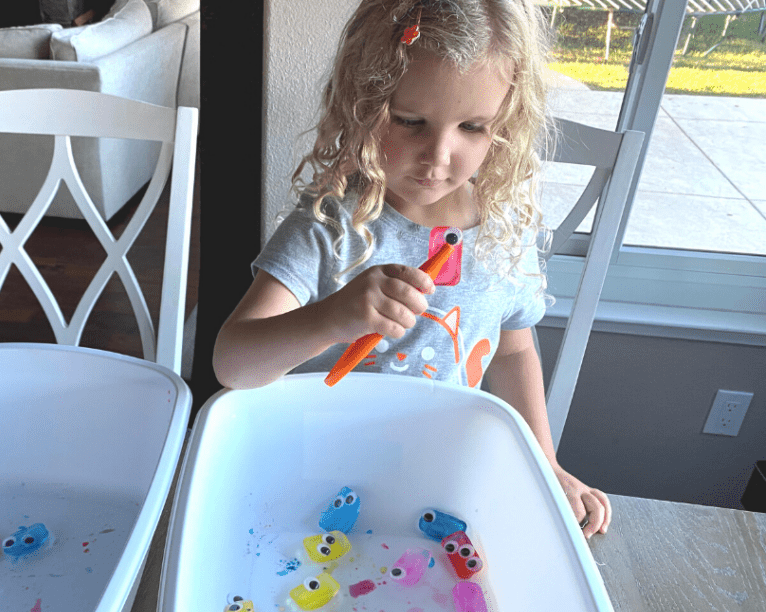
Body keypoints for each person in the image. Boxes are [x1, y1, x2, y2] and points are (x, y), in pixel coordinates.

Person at [214, 0, 611, 538]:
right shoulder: (332, 226)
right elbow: (234, 364)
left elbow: (514, 352)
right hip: (320, 484)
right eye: (410, 122)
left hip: (440, 482)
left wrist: (546, 463)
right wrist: (333, 318)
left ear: (506, 126)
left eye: (473, 127)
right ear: (364, 105)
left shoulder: (502, 231)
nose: (439, 155)